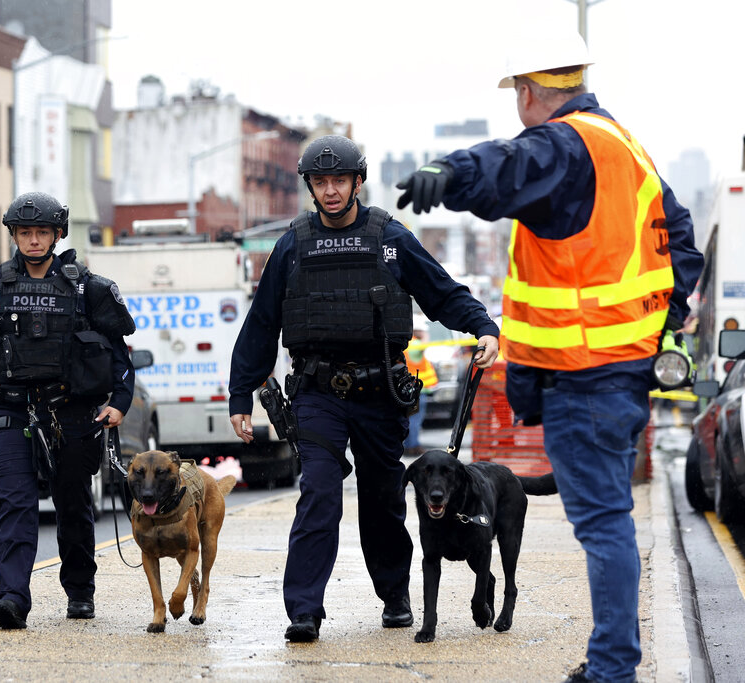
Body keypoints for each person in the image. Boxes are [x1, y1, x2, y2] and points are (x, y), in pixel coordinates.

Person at [395, 31, 703, 683]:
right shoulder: (625, 148)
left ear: (528, 92)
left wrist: (449, 174)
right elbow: (683, 249)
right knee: (606, 519)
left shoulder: (567, 142)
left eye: (517, 96)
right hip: (614, 375)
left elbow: (509, 166)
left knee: (602, 525)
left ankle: (614, 668)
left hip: (584, 379)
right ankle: (611, 659)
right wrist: (652, 333)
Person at [228, 135, 499, 643]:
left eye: (339, 180)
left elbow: (441, 291)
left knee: (382, 500)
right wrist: (240, 395)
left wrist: (482, 326)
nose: (330, 191)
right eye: (320, 182)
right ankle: (304, 610)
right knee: (319, 495)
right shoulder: (292, 245)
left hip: (379, 394)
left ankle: (395, 596)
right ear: (310, 186)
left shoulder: (390, 237)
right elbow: (261, 325)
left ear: (357, 181)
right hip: (317, 392)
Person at [0, 191, 137, 630]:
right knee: (13, 503)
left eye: (41, 232)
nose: (33, 241)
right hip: (9, 410)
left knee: (72, 503)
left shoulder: (86, 289)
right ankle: (12, 598)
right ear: (13, 235)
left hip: (70, 412)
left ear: (57, 235)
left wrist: (120, 403)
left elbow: (119, 355)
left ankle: (80, 592)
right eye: (24, 233)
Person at [403, 319, 438, 456]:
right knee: (415, 420)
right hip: (417, 389)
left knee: (411, 418)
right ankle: (412, 446)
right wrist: (424, 336)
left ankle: (412, 445)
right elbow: (425, 345)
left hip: (409, 388)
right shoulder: (415, 343)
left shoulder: (406, 343)